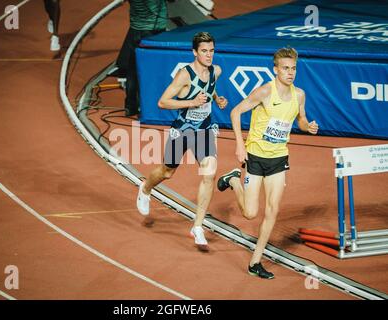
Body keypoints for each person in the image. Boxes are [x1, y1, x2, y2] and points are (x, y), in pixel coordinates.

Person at [217, 47, 318, 278]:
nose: (290, 73)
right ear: (275, 70)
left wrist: (307, 127)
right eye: (285, 68)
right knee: (250, 214)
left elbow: (301, 119)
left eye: (293, 68)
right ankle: (233, 180)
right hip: (256, 157)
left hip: (278, 159)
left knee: (272, 211)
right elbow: (235, 112)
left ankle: (255, 262)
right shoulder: (264, 92)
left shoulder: (299, 95)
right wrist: (240, 145)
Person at [136, 32, 228, 252]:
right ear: (194, 52)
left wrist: (218, 99)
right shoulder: (184, 75)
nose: (209, 55)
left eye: (212, 50)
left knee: (209, 173)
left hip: (204, 130)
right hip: (183, 130)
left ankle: (197, 226)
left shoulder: (216, 71)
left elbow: (210, 89)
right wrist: (191, 101)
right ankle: (145, 188)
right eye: (204, 51)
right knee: (167, 172)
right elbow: (162, 102)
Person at [116, 0, 168, 116]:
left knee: (133, 70)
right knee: (149, 72)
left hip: (135, 30)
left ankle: (130, 107)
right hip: (153, 32)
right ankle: (146, 108)